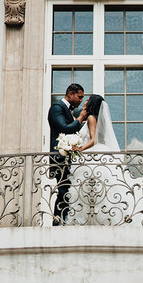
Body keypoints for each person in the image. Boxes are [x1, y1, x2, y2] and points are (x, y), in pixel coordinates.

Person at [66, 94, 130, 225]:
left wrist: (80, 149)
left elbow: (94, 140)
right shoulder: (92, 118)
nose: (85, 101)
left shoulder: (91, 118)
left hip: (90, 156)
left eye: (88, 100)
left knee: (89, 190)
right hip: (93, 155)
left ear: (92, 104)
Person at [47, 83, 85, 225]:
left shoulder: (68, 110)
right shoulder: (57, 108)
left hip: (67, 158)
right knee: (63, 190)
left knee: (67, 190)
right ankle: (58, 222)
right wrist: (80, 118)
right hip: (60, 157)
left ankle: (64, 220)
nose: (81, 100)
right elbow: (64, 128)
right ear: (70, 94)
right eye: (79, 97)